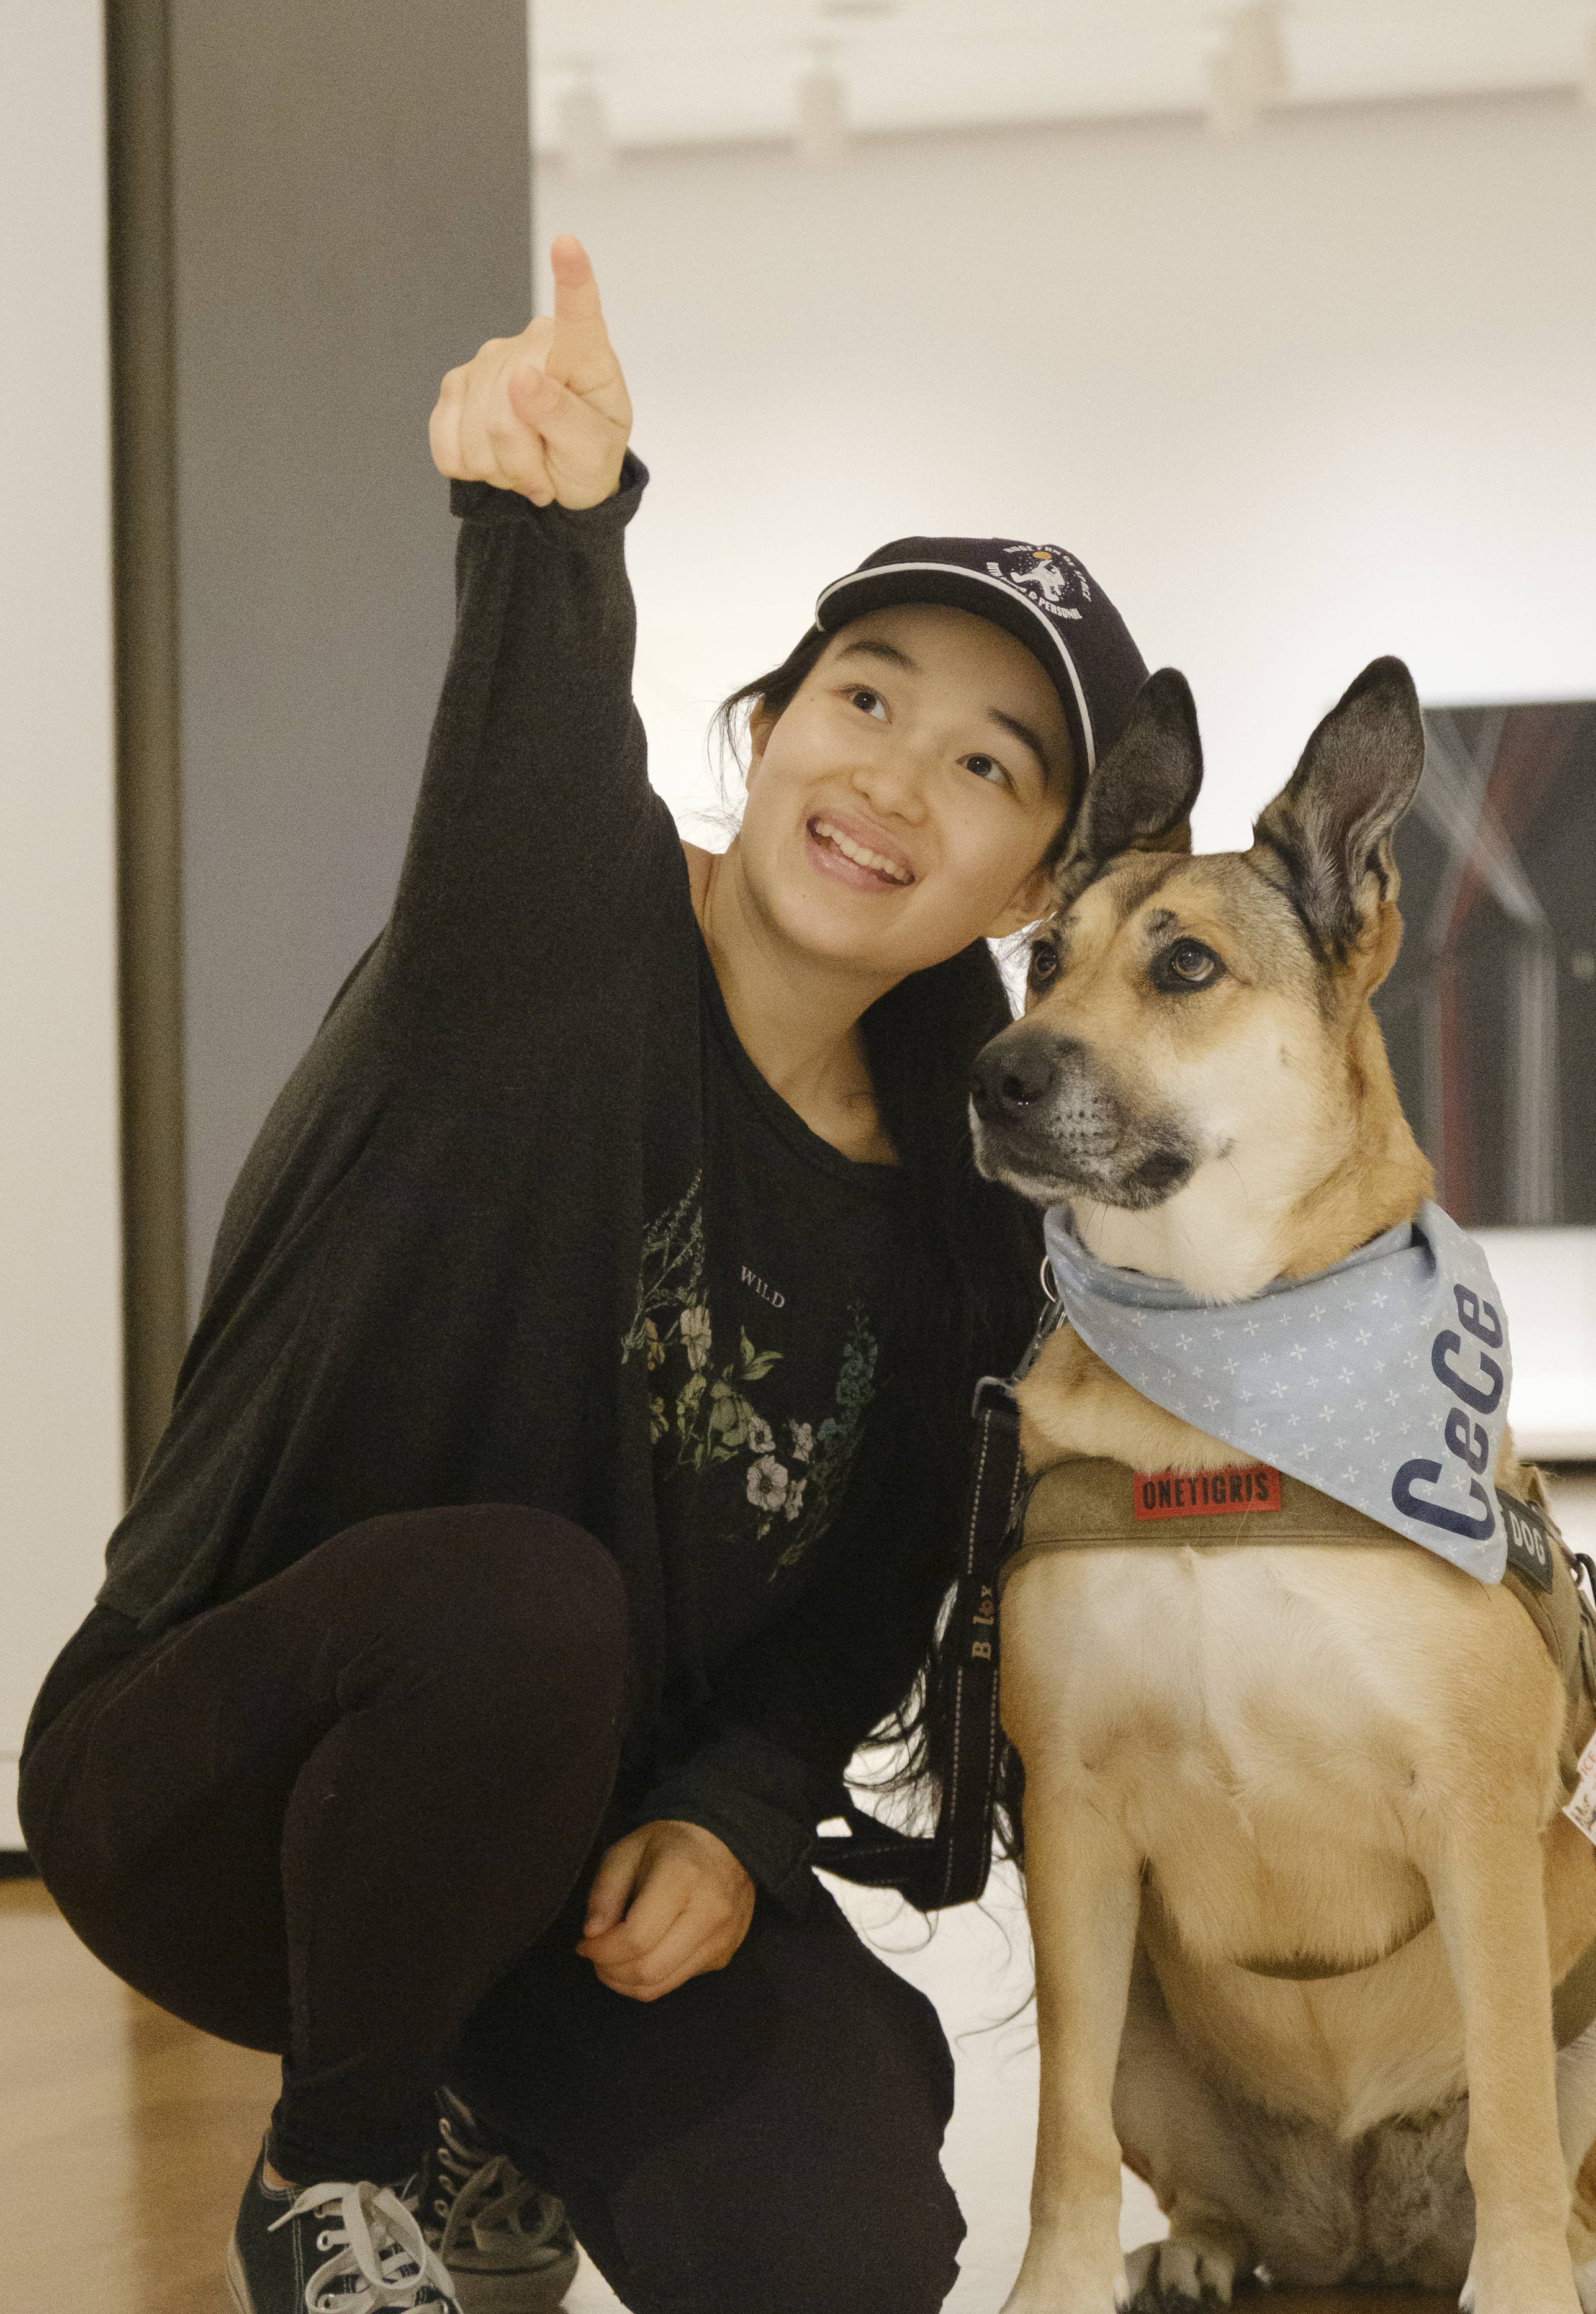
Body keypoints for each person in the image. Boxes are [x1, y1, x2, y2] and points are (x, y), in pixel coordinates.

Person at [19, 236, 1154, 2314]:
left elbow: (862, 1611)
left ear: (1040, 883)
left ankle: (483, 2096)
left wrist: (731, 1820)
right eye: (865, 698)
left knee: (836, 2249)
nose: (897, 780)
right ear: (770, 724)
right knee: (526, 1602)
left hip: (571, 1864)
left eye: (990, 765)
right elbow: (537, 716)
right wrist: (554, 519)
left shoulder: (961, 1227)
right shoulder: (547, 938)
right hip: (213, 1781)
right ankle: (339, 2175)